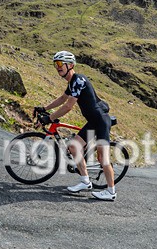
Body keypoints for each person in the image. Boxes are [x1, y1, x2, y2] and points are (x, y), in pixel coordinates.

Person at [38, 51, 117, 201]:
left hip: (100, 121)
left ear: (70, 65)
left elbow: (68, 106)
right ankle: (85, 182)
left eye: (60, 64)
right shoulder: (72, 82)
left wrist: (49, 118)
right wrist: (45, 109)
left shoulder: (79, 80)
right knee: (74, 146)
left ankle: (111, 191)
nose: (57, 67)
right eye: (56, 64)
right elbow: (63, 98)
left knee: (102, 158)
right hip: (93, 121)